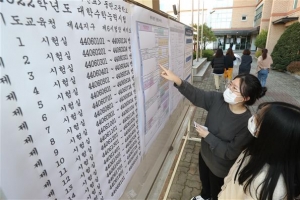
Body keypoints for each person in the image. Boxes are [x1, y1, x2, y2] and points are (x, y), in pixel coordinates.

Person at [159, 64, 262, 200]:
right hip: (204, 155)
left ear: (246, 98)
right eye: (231, 84)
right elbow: (197, 95)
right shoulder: (218, 99)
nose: (229, 89)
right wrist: (177, 80)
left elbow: (230, 152)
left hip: (220, 168)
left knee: (216, 192)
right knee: (204, 182)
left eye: (235, 88)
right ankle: (204, 196)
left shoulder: (246, 123)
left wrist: (208, 136)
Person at [218, 102, 300, 200]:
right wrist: (222, 192)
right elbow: (232, 176)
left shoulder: (267, 185)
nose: (253, 118)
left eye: (258, 118)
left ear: (271, 135)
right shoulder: (254, 148)